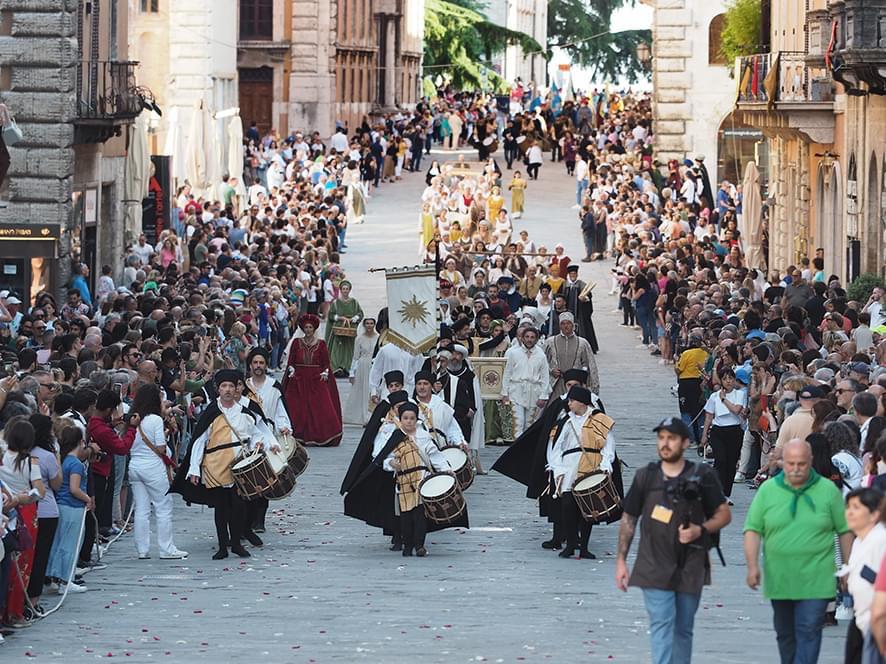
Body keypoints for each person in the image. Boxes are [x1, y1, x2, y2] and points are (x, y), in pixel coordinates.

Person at [615, 417, 732, 664]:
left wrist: (700, 529)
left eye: (671, 438)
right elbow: (629, 518)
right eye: (661, 438)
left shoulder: (703, 474)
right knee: (661, 623)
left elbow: (724, 514)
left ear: (685, 443)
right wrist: (621, 561)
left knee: (683, 628)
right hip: (653, 562)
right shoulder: (645, 476)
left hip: (691, 562)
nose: (665, 444)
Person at [744, 438, 852, 664]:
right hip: (780, 577)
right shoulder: (769, 491)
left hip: (817, 576)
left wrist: (847, 568)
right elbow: (753, 529)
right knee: (786, 634)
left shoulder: (827, 490)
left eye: (801, 464)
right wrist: (752, 566)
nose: (795, 469)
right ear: (783, 462)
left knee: (809, 629)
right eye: (790, 463)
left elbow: (844, 530)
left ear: (810, 461)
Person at [172, 369, 278, 559]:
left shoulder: (246, 412)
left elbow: (255, 434)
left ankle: (236, 543)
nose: (228, 390)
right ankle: (222, 546)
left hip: (239, 466)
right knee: (221, 507)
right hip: (215, 464)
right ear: (218, 389)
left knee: (239, 506)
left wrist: (259, 444)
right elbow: (199, 442)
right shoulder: (210, 413)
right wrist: (194, 469)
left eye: (231, 386)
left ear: (236, 388)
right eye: (224, 386)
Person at [550, 385, 617, 559]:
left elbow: (608, 446)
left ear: (581, 402)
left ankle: (584, 547)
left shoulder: (600, 420)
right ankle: (571, 544)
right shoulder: (566, 421)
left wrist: (605, 466)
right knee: (567, 505)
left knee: (588, 508)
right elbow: (557, 447)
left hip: (591, 464)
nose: (569, 404)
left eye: (571, 401)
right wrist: (557, 467)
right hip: (569, 466)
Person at [381, 402, 453, 557]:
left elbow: (434, 455)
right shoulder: (395, 437)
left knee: (420, 514)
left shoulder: (424, 437)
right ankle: (407, 545)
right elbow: (386, 458)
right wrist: (391, 463)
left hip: (421, 478)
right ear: (400, 419)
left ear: (416, 420)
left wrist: (446, 470)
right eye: (405, 418)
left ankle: (419, 545)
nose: (408, 421)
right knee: (406, 516)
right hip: (404, 481)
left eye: (412, 418)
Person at [128, 384, 188, 560]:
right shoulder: (154, 419)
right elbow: (161, 447)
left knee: (141, 509)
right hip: (152, 466)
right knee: (163, 506)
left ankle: (142, 549)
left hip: (135, 465)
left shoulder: (133, 418)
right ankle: (166, 548)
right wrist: (167, 432)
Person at [0, 416, 45, 626]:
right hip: (24, 511)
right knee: (23, 564)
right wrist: (25, 495)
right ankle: (15, 612)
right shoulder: (30, 462)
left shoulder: (2, 456)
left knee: (7, 562)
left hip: (4, 508)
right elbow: (40, 491)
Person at [840, 487, 886, 664]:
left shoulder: (880, 541)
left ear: (874, 515)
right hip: (862, 622)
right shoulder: (860, 540)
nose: (849, 513)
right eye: (848, 507)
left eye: (856, 508)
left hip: (876, 625)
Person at [283, 314, 342, 447]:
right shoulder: (297, 343)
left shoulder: (321, 344)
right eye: (306, 327)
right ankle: (298, 435)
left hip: (315, 379)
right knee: (297, 408)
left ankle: (320, 435)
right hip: (299, 379)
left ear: (314, 328)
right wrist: (292, 369)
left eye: (310, 327)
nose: (308, 329)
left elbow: (326, 363)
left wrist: (325, 372)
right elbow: (291, 361)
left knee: (319, 407)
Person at [45, 426, 91, 595]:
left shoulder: (63, 461)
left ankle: (55, 577)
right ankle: (66, 579)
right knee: (71, 545)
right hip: (73, 507)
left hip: (62, 505)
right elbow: (74, 488)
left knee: (60, 543)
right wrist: (88, 499)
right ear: (80, 442)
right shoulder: (76, 464)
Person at [700, 368, 747, 499]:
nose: (728, 381)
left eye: (730, 378)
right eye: (725, 379)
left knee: (731, 463)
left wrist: (724, 399)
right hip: (718, 431)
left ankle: (726, 493)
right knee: (720, 460)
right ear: (721, 380)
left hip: (734, 431)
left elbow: (737, 410)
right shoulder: (714, 397)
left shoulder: (739, 394)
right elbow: (709, 417)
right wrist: (704, 435)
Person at [500, 327, 549, 436]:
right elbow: (507, 373)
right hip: (516, 390)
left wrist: (543, 395)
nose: (529, 340)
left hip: (533, 392)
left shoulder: (541, 356)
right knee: (519, 422)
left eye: (532, 337)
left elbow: (545, 377)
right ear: (522, 338)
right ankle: (517, 449)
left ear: (536, 339)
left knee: (529, 424)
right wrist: (504, 393)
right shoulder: (514, 353)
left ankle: (525, 449)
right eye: (527, 337)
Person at [545, 312, 599, 397]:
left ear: (573, 325)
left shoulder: (582, 343)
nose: (566, 326)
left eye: (568, 323)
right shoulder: (550, 342)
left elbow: (590, 365)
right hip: (556, 384)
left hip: (575, 384)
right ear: (559, 325)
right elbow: (542, 362)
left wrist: (593, 387)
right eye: (563, 323)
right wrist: (551, 370)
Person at [343, 317, 379, 426]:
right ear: (364, 325)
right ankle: (363, 416)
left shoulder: (378, 337)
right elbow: (355, 356)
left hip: (374, 364)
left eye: (371, 323)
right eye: (367, 323)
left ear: (374, 325)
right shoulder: (359, 339)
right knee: (363, 390)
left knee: (372, 390)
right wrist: (351, 372)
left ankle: (371, 415)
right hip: (362, 366)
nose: (369, 325)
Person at [324, 280, 364, 376]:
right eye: (343, 289)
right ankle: (336, 368)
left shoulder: (354, 302)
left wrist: (352, 319)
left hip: (350, 330)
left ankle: (347, 367)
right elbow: (330, 315)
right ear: (341, 290)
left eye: (347, 289)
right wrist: (340, 318)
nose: (345, 291)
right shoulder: (336, 303)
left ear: (349, 290)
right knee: (337, 348)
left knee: (349, 349)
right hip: (338, 329)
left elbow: (360, 314)